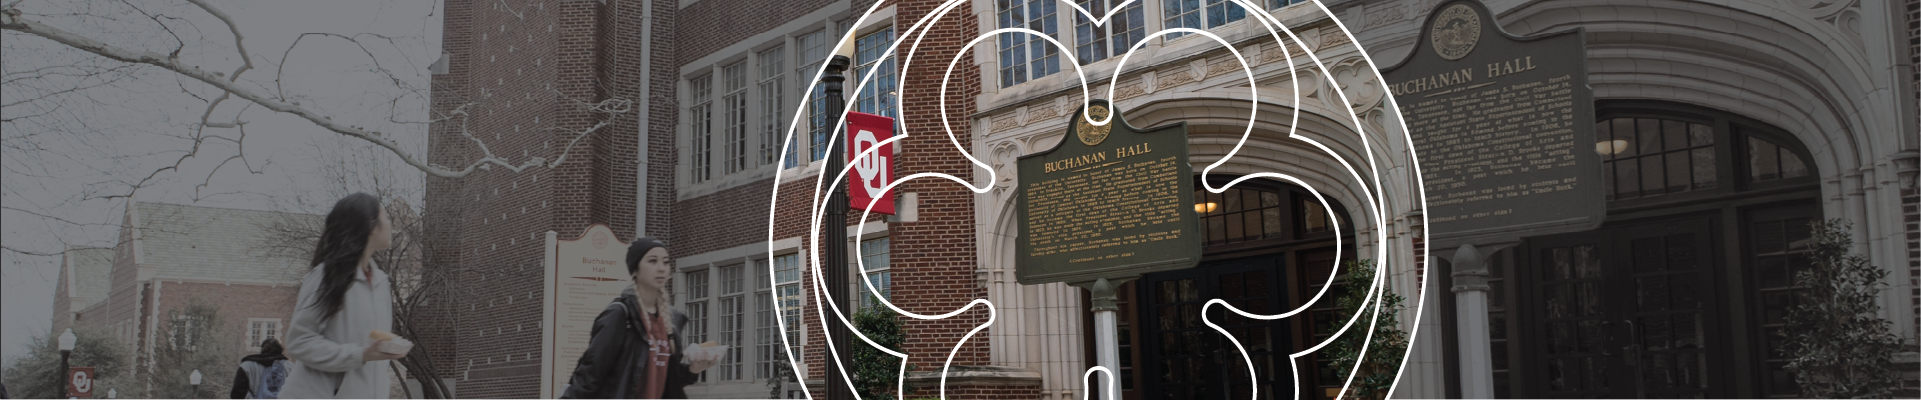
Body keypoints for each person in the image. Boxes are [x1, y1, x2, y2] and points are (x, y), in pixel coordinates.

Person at [279, 193, 405, 399]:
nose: (391, 224)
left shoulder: (381, 282)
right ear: (371, 226)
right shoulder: (325, 276)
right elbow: (299, 341)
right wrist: (360, 354)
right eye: (386, 217)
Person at [559, 238, 720, 400]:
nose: (661, 268)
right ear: (635, 269)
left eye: (665, 262)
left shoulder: (671, 321)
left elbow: (669, 381)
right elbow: (589, 374)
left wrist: (694, 368)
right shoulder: (620, 315)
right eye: (652, 261)